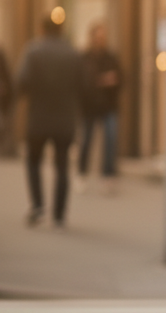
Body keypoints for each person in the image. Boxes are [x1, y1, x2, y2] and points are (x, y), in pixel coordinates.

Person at [16, 14, 83, 227]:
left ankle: (38, 206)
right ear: (61, 30)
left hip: (39, 116)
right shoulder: (73, 53)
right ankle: (59, 214)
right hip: (65, 118)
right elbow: (83, 84)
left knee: (33, 160)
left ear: (42, 30)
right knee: (62, 165)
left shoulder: (33, 51)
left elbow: (21, 82)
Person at [78, 22, 122, 186]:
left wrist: (111, 81)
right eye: (97, 37)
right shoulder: (85, 58)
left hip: (108, 105)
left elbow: (120, 78)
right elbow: (82, 81)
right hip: (89, 106)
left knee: (111, 139)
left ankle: (108, 174)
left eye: (102, 37)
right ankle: (82, 172)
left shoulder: (111, 57)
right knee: (86, 140)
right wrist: (102, 80)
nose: (100, 40)